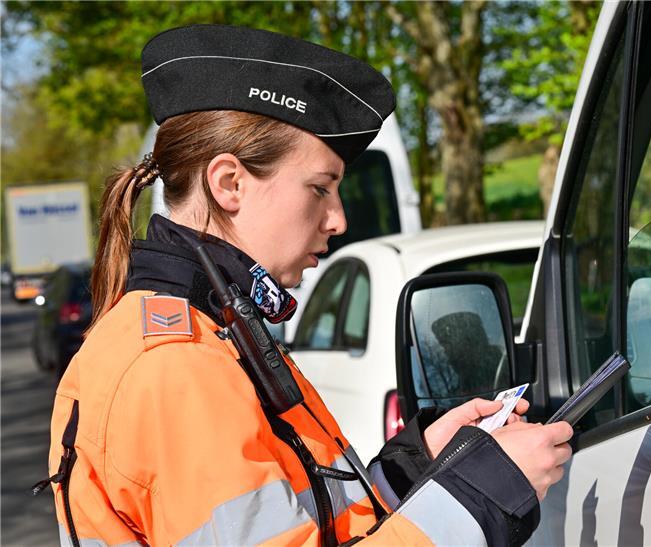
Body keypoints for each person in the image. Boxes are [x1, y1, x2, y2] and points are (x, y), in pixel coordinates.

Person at [41, 24, 573, 546]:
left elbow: (310, 523)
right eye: (320, 189)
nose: (338, 220)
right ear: (230, 184)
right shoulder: (178, 364)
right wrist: (484, 494)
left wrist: (418, 463)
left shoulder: (214, 329)